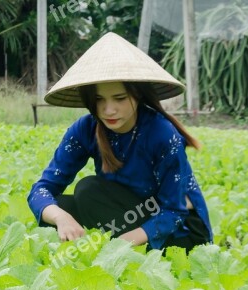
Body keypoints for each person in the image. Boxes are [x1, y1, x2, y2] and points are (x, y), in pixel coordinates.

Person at [27, 32, 212, 253]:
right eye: (99, 99)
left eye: (120, 98)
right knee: (61, 208)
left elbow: (174, 210)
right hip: (127, 212)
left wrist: (124, 242)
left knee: (87, 190)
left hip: (181, 231)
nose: (109, 110)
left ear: (138, 95)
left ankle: (134, 253)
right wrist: (61, 218)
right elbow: (41, 190)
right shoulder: (84, 129)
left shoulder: (161, 133)